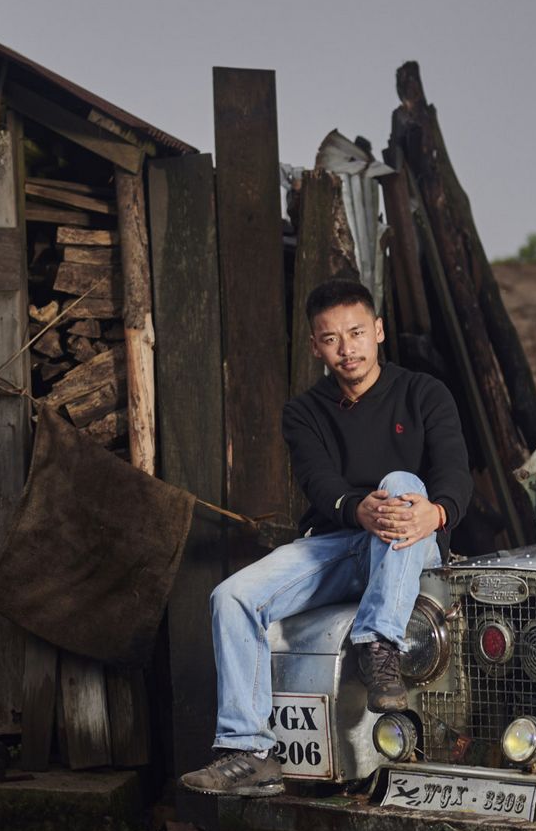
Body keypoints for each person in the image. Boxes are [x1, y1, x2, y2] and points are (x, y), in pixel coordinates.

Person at [180, 278, 473, 798]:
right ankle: (249, 750)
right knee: (230, 598)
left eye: (357, 333)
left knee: (402, 484)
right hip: (338, 542)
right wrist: (353, 508)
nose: (347, 348)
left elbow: (455, 472)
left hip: (410, 547)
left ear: (378, 331)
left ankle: (377, 641)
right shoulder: (304, 412)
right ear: (316, 346)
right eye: (332, 339)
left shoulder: (423, 393)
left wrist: (438, 512)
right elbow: (321, 485)